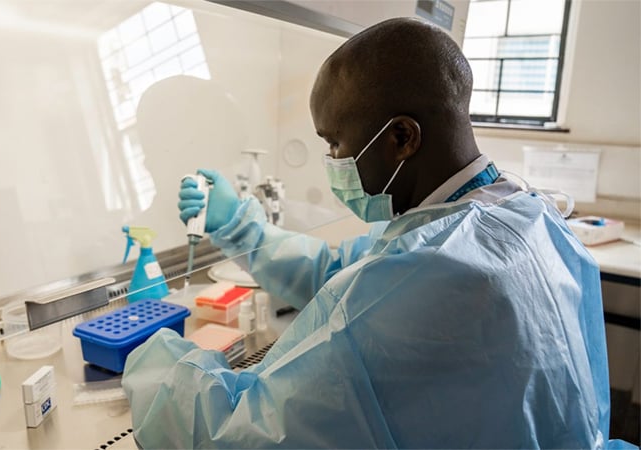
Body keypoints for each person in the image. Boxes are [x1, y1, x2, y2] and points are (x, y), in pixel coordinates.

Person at [122, 18, 618, 448]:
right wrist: (241, 226)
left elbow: (238, 435)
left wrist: (153, 361)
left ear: (402, 137)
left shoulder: (436, 274)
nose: (333, 162)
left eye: (335, 142)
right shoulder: (522, 215)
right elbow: (347, 273)